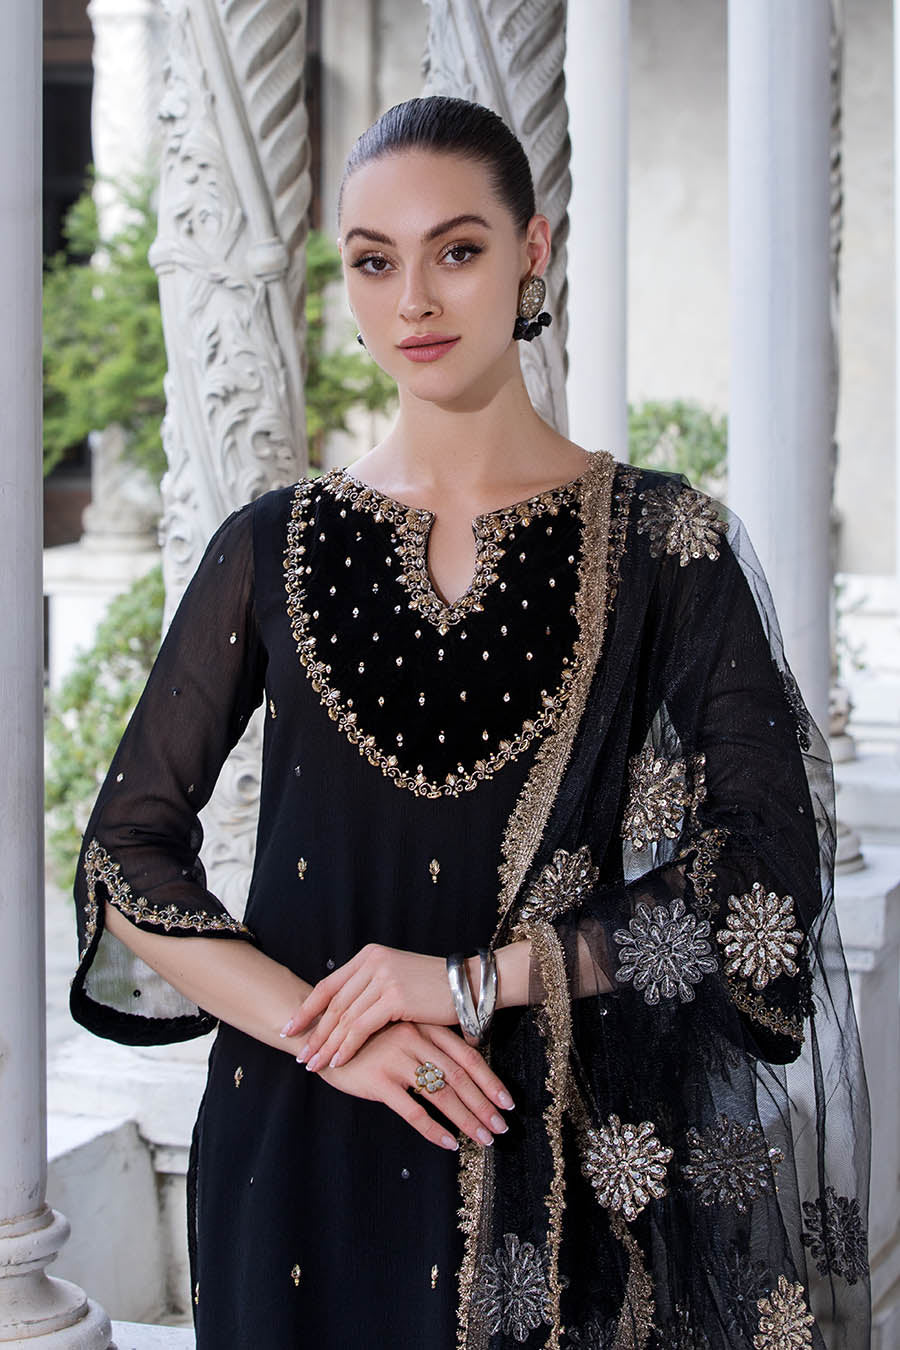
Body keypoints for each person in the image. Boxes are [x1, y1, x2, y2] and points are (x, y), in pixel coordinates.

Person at [70, 96, 870, 1349]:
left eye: (456, 250)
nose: (413, 302)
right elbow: (127, 854)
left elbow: (765, 868)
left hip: (552, 1142)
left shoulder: (666, 546)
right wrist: (327, 1035)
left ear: (531, 252)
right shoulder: (268, 545)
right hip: (301, 1136)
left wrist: (465, 986)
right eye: (372, 262)